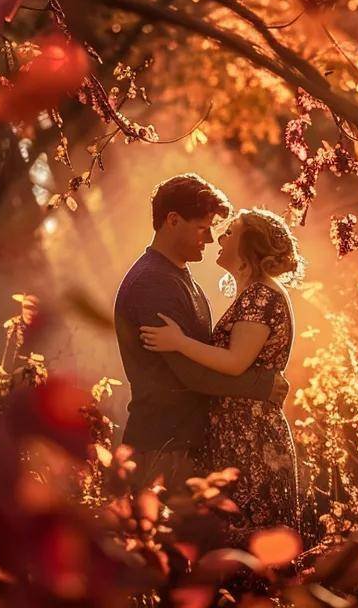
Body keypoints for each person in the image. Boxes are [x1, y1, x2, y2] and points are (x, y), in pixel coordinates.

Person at [139, 207, 302, 537]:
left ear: (247, 247)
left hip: (252, 435)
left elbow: (234, 362)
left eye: (229, 233)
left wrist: (179, 342)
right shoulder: (252, 293)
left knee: (250, 540)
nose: (218, 238)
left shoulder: (261, 294)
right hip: (238, 431)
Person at [113, 174, 283, 489]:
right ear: (173, 221)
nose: (209, 240)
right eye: (203, 229)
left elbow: (202, 353)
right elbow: (188, 372)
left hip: (183, 443)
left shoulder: (178, 276)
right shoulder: (153, 284)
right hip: (163, 445)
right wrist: (261, 386)